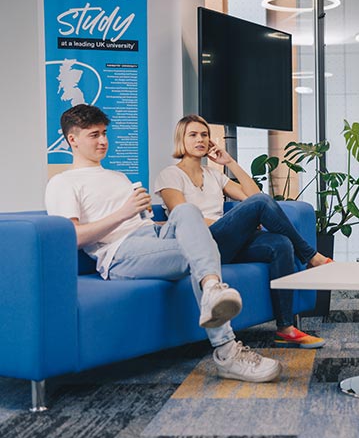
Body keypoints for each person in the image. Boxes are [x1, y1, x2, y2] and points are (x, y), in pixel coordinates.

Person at [45, 104, 281, 383]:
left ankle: (212, 289)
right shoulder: (63, 183)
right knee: (200, 249)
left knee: (186, 211)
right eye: (94, 135)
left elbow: (144, 222)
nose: (103, 141)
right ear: (72, 139)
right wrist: (125, 212)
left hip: (151, 238)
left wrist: (158, 222)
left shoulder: (117, 177)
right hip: (120, 253)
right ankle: (227, 351)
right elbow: (71, 237)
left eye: (105, 133)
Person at [155, 114, 330, 349]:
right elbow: (182, 217)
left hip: (225, 242)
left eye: (204, 135)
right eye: (193, 135)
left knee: (280, 244)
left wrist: (229, 163)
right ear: (181, 140)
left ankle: (285, 328)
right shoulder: (170, 174)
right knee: (259, 205)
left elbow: (253, 195)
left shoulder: (214, 175)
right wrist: (235, 222)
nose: (200, 140)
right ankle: (311, 256)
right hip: (200, 245)